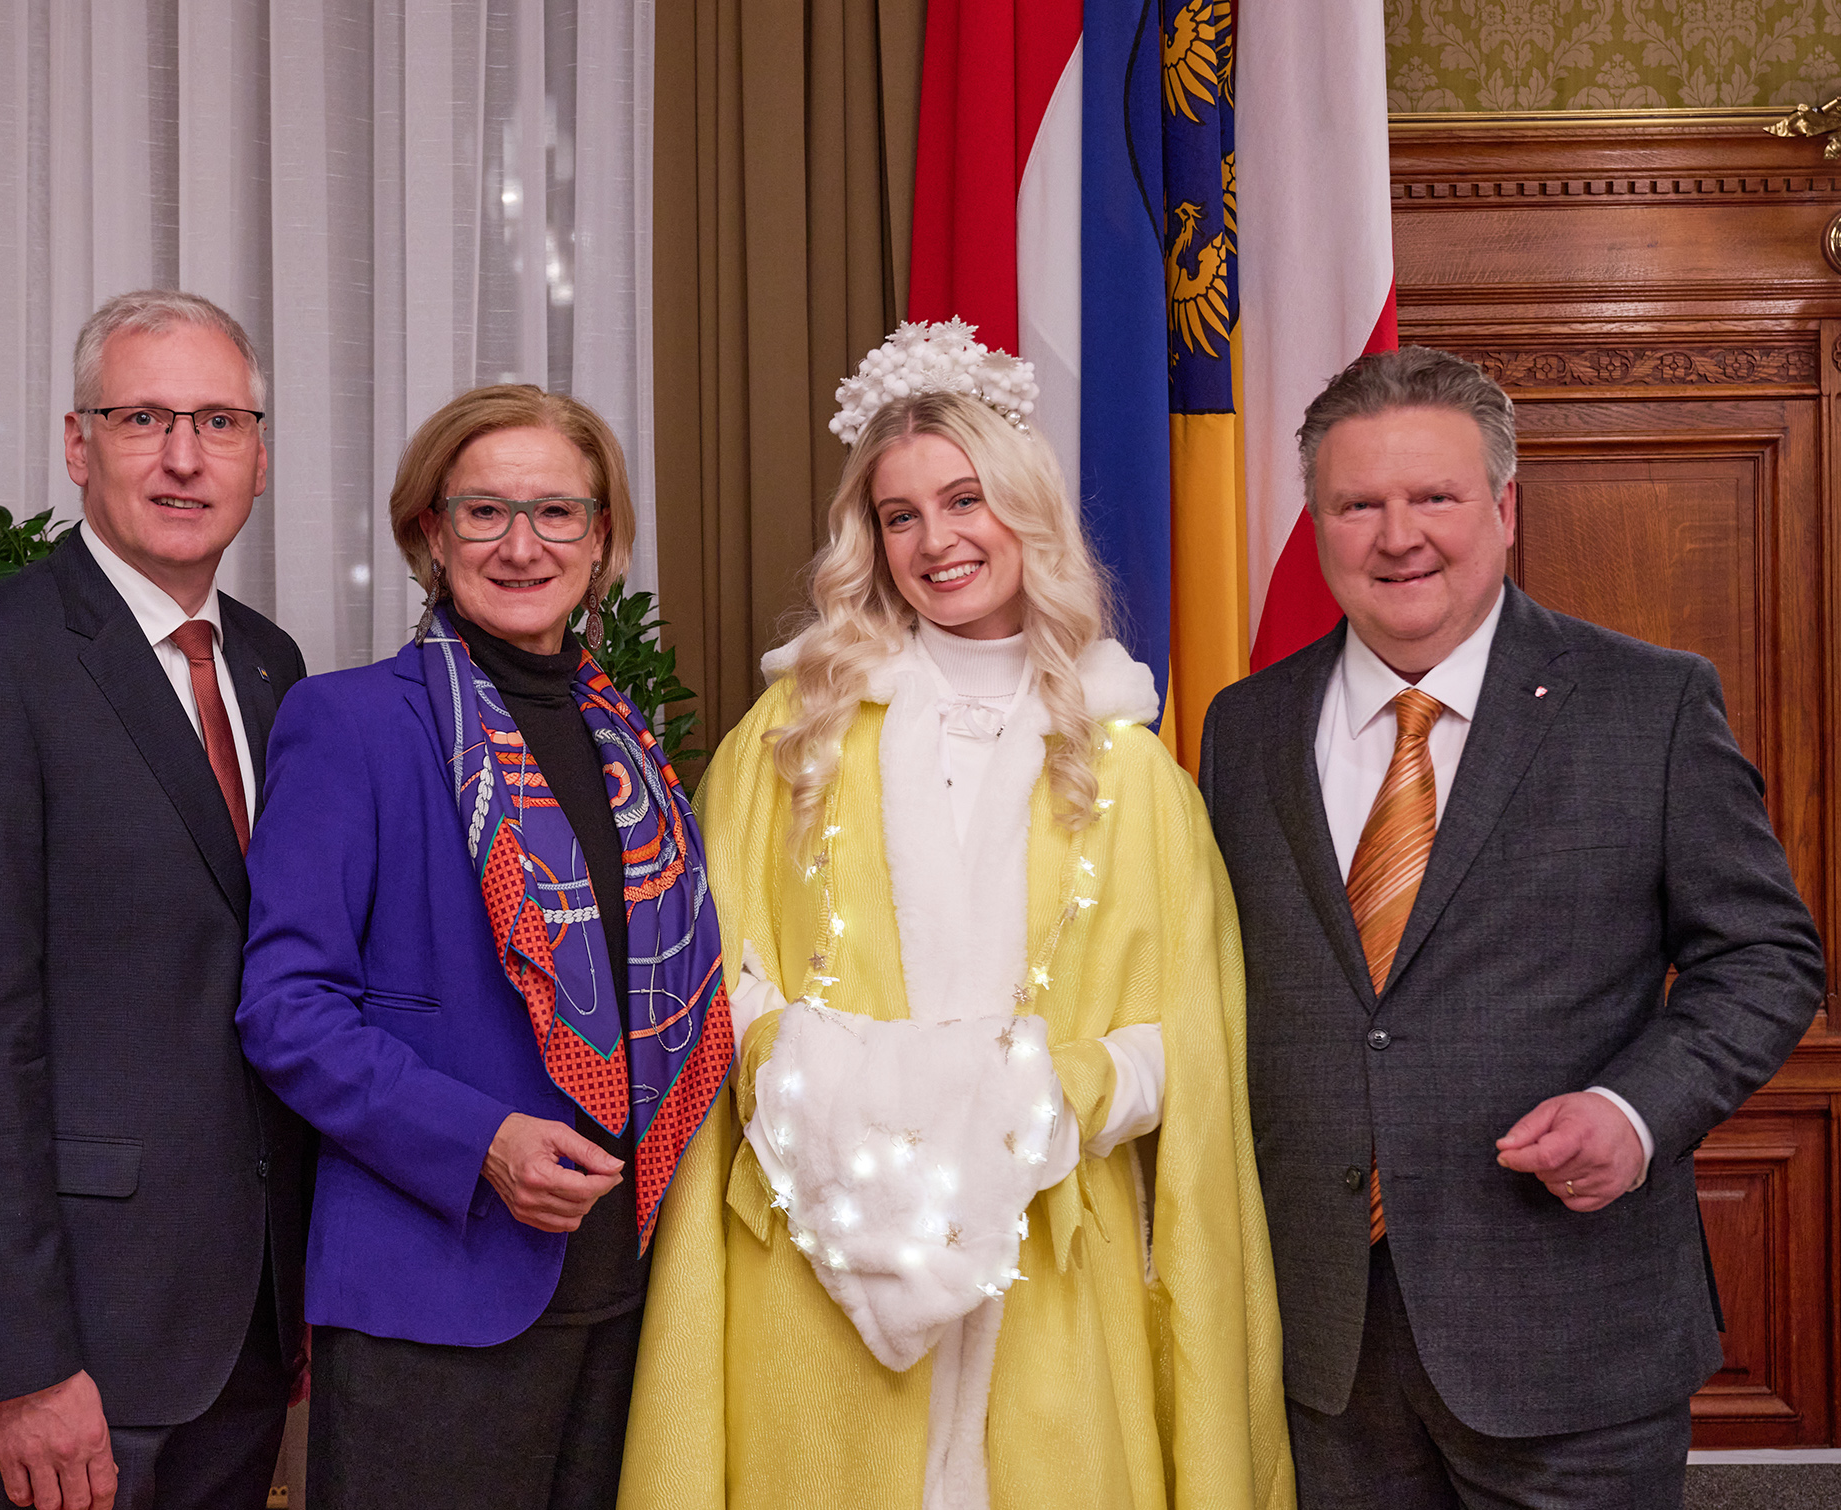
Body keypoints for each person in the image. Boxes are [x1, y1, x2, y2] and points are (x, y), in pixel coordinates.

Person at [620, 321, 1292, 1510]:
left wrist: (1035, 1098)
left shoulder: (1130, 774)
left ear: (1022, 511)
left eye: (963, 499)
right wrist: (847, 1092)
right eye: (898, 514)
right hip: (817, 1249)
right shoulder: (789, 745)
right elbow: (718, 981)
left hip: (1049, 1252)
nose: (936, 541)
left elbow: (1184, 1038)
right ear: (868, 541)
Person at [1199, 345, 1826, 1508]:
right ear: (1317, 523)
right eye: (1357, 504)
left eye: (1432, 497)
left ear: (1502, 505)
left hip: (1567, 1330)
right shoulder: (1241, 730)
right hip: (1319, 1340)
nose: (1397, 537)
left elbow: (1766, 956)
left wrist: (1633, 1111)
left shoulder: (1647, 703)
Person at [234, 384, 733, 1510]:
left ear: (601, 543)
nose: (523, 545)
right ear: (428, 533)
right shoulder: (352, 721)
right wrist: (483, 1141)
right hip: (438, 1283)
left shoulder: (632, 750)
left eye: (558, 513)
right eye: (483, 513)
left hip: (625, 1282)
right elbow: (288, 1006)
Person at [0, 289, 311, 1510]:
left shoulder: (272, 669)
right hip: (69, 1336)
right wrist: (20, 1361)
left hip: (242, 1325)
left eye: (219, 421)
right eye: (141, 418)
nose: (182, 456)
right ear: (77, 444)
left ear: (260, 456)